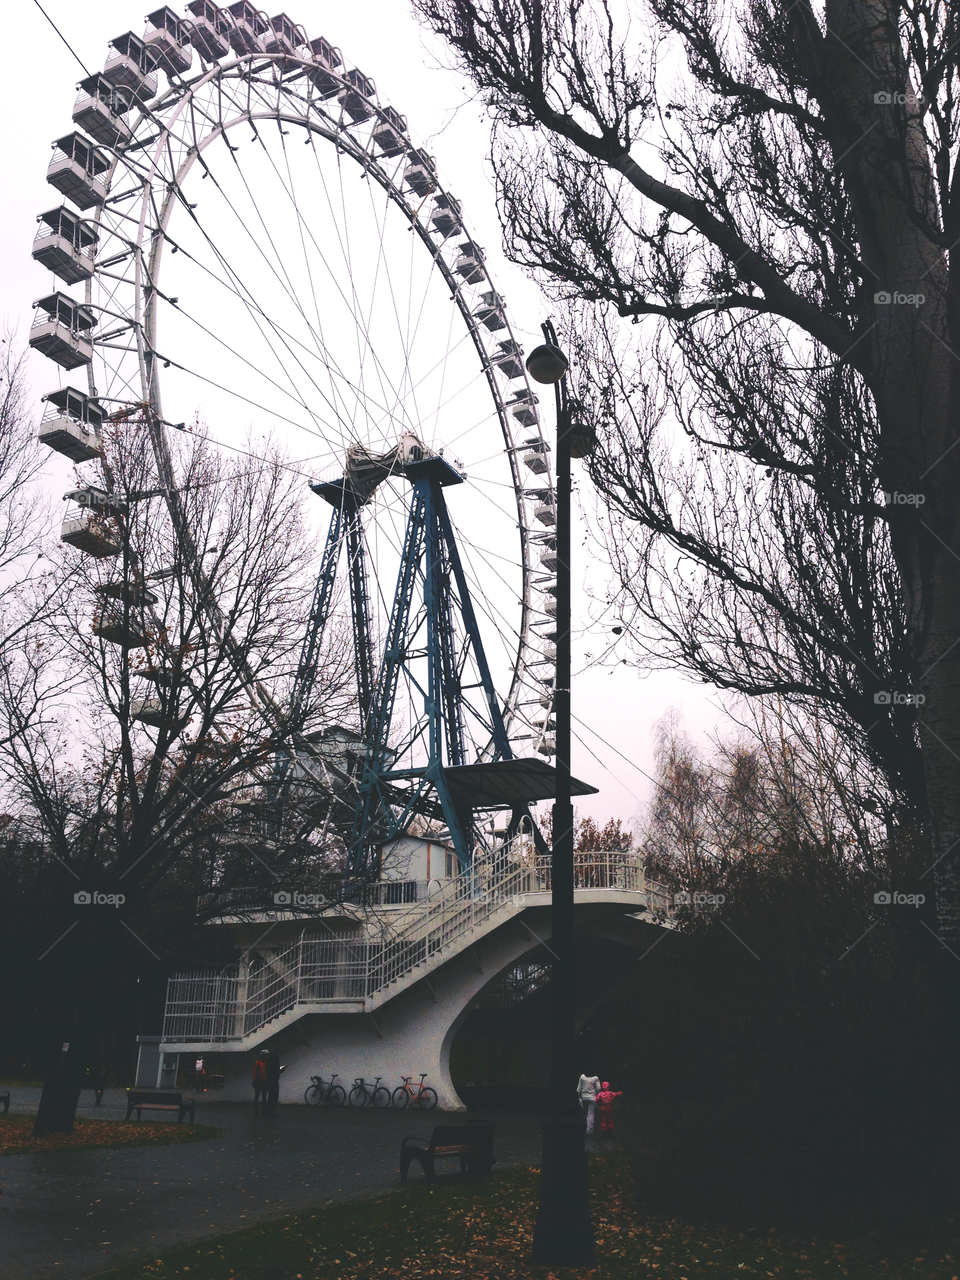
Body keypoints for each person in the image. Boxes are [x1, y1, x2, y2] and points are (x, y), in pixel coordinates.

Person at [577, 1070, 601, 1135]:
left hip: (584, 1097)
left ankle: (581, 1129)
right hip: (592, 1097)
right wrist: (595, 1093)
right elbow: (598, 1088)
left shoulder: (582, 1077)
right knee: (590, 1114)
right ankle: (589, 1131)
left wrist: (579, 1096)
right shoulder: (595, 1078)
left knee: (584, 1112)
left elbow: (578, 1089)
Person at [263, 1049, 281, 1116]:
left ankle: (268, 1111)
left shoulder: (268, 1059)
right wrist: (281, 1070)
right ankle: (272, 1112)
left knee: (270, 1096)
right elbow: (276, 1070)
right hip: (274, 1080)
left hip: (268, 1079)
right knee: (274, 1096)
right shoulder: (276, 1059)